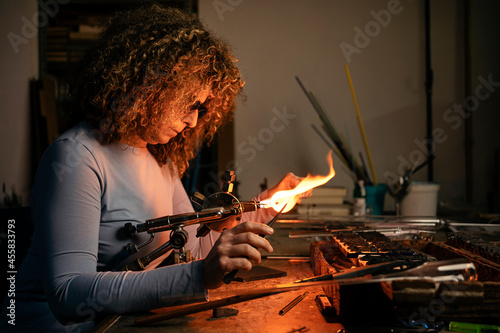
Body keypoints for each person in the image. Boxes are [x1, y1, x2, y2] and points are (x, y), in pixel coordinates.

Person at [1, 4, 307, 332]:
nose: (193, 121)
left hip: (117, 324)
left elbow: (195, 248)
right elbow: (68, 294)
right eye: (190, 104)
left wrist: (269, 204)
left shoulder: (160, 159)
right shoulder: (77, 158)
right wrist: (198, 276)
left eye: (202, 109)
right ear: (152, 86)